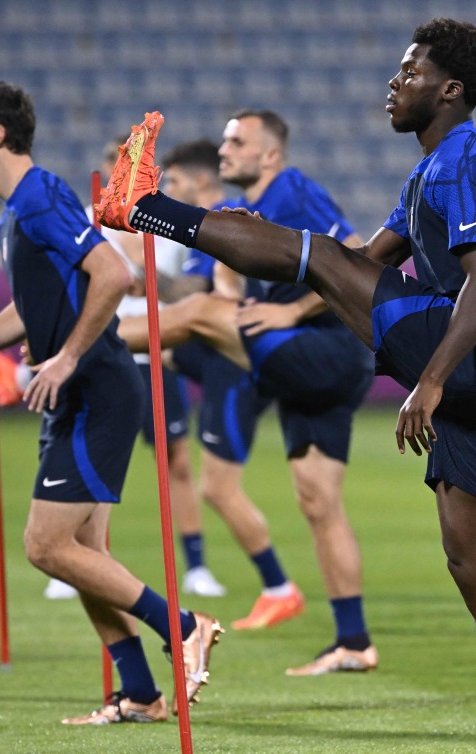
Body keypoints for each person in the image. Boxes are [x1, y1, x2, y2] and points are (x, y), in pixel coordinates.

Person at [97, 19, 476, 754]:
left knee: (315, 256)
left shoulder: (461, 158)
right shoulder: (429, 171)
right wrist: (261, 239)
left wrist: (429, 382)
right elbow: (358, 264)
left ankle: (144, 208)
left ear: (449, 89)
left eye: (410, 71)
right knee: (474, 562)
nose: (394, 83)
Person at [0, 81, 222, 725]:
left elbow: (114, 275)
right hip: (74, 393)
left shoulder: (42, 194)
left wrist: (69, 356)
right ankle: (140, 693)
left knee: (46, 546)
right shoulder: (15, 210)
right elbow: (30, 308)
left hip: (94, 389)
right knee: (84, 555)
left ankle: (184, 625)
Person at [118, 110, 380, 677]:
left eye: (238, 141)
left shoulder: (291, 192)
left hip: (330, 351)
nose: (224, 149)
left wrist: (291, 308)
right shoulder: (249, 212)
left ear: (270, 156)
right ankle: (354, 642)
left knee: (200, 317)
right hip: (316, 365)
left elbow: (361, 259)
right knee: (318, 501)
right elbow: (224, 282)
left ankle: (81, 342)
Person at [44, 139, 228, 601]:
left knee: (177, 463)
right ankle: (72, 559)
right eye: (114, 165)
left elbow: (189, 288)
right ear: (106, 170)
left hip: (157, 359)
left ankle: (197, 567)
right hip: (105, 357)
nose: (120, 172)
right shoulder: (88, 222)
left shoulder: (162, 219)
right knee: (92, 460)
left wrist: (150, 281)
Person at [157, 137, 303, 617]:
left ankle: (279, 589)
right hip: (221, 354)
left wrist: (136, 269)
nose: (168, 189)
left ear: (199, 182)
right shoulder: (214, 224)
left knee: (218, 488)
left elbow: (196, 292)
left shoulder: (218, 222)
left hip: (236, 364)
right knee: (163, 349)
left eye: (173, 181)